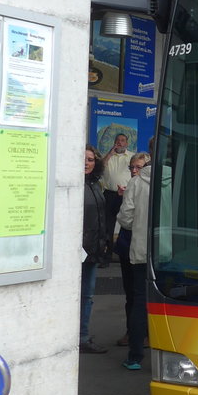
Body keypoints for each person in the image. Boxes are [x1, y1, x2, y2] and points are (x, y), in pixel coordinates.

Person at [117, 153, 152, 370]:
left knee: (139, 301)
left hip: (141, 251)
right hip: (170, 253)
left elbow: (126, 218)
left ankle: (135, 356)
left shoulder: (137, 183)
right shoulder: (177, 179)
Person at [81, 146, 111, 354]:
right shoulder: (74, 185)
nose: (86, 163)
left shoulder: (94, 184)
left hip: (92, 251)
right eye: (82, 159)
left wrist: (104, 242)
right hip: (78, 252)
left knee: (87, 296)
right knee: (79, 296)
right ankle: (78, 337)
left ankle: (82, 336)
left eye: (90, 159)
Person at [100, 132, 134, 238]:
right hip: (109, 194)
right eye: (117, 140)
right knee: (107, 224)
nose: (119, 142)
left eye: (122, 140)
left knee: (127, 222)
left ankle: (123, 249)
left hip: (126, 194)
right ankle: (107, 251)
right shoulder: (108, 156)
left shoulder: (132, 156)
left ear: (127, 144)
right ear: (114, 143)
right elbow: (100, 168)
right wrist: (110, 154)